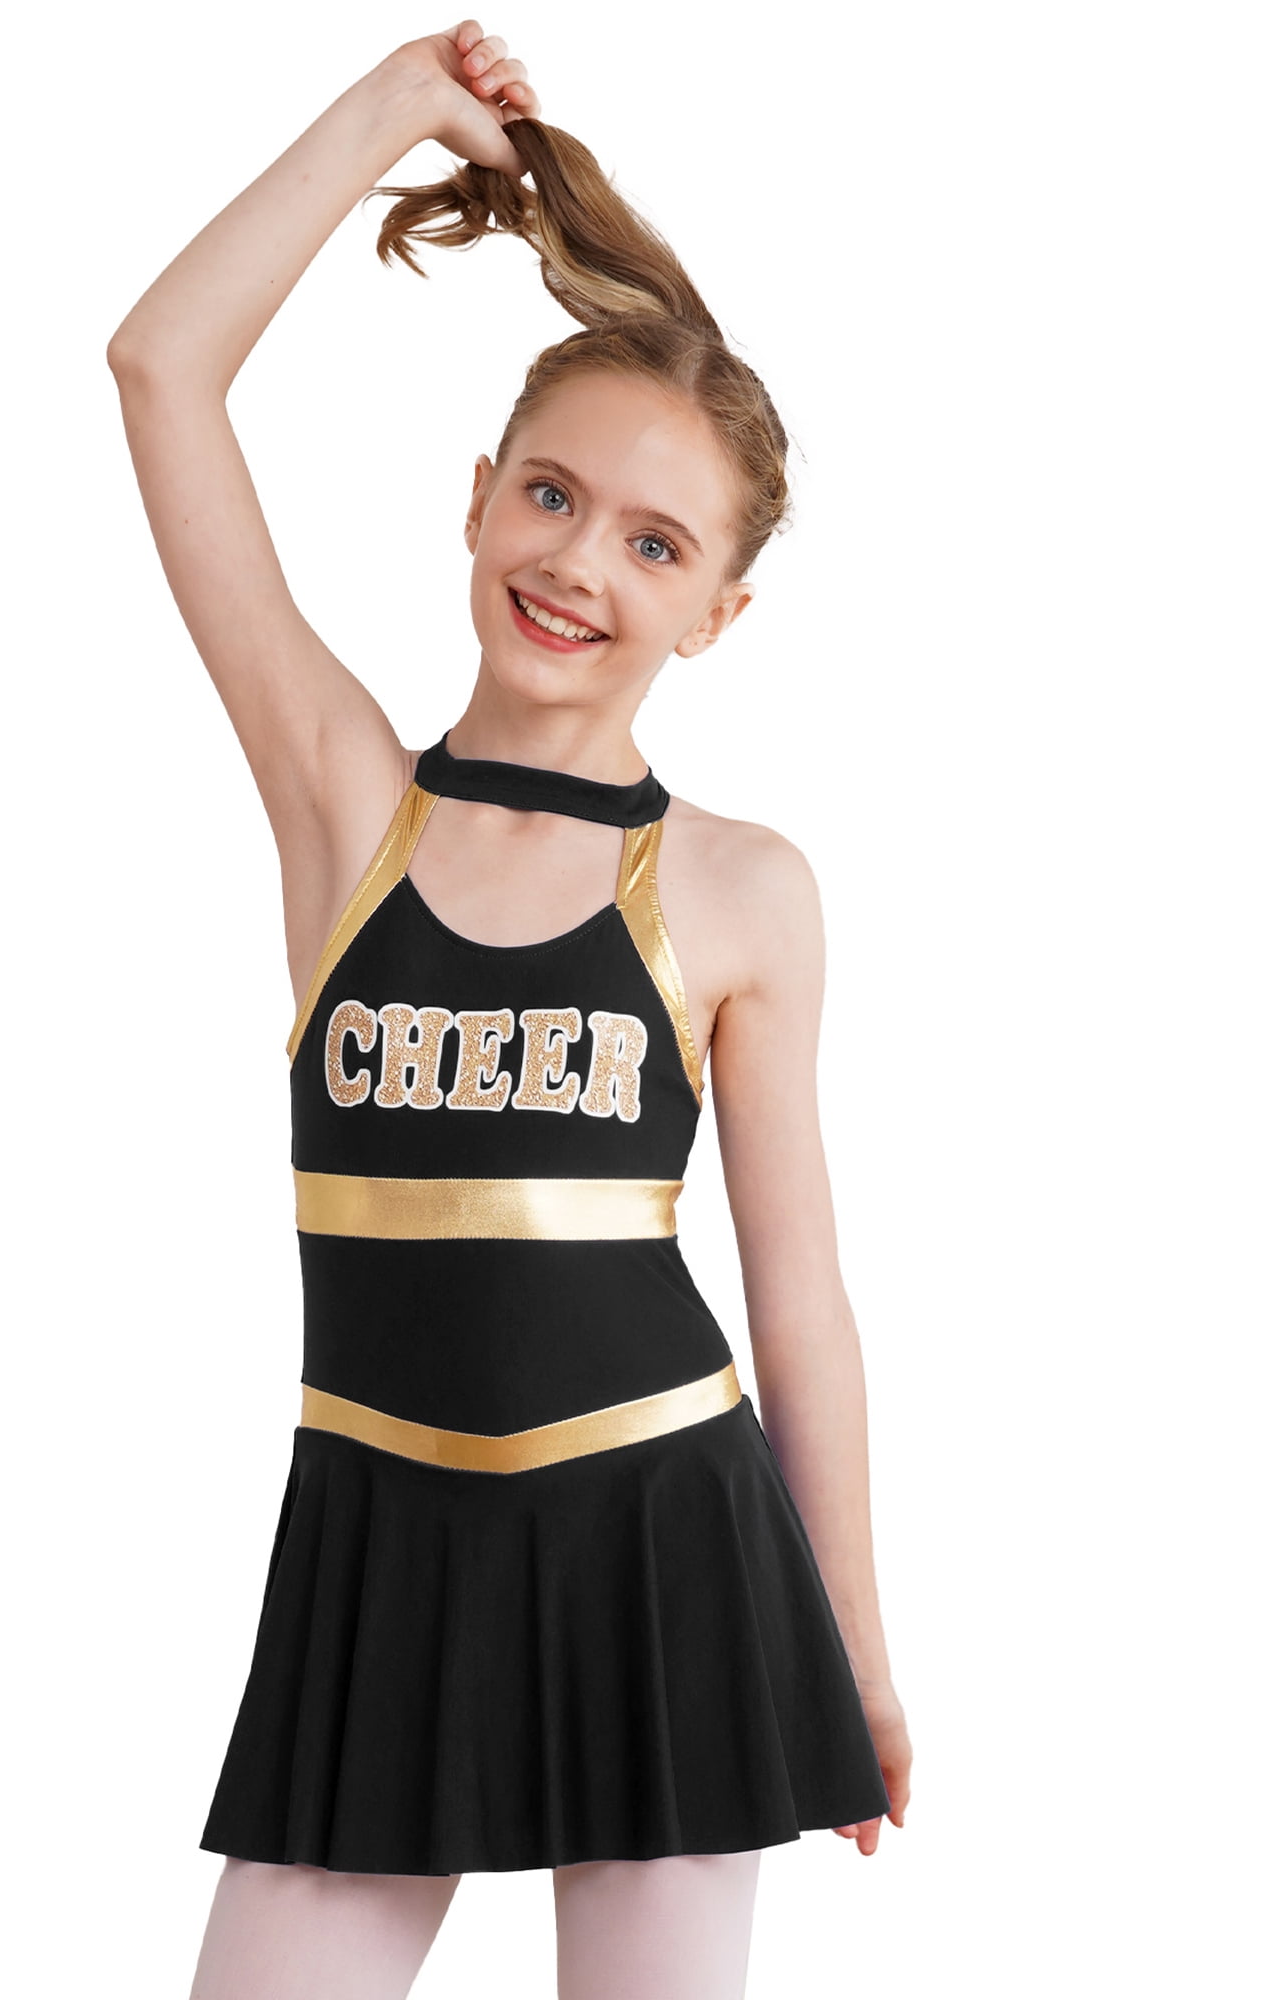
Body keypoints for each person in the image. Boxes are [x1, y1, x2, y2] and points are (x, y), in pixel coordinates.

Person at [107, 21, 911, 2000]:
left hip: (669, 1553)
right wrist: (392, 111)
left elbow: (799, 1291)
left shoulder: (739, 888)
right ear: (478, 500)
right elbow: (159, 366)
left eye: (655, 543)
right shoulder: (345, 803)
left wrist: (859, 1644)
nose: (579, 564)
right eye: (550, 496)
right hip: (377, 1550)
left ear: (717, 611)